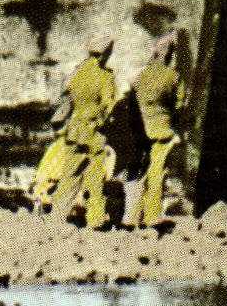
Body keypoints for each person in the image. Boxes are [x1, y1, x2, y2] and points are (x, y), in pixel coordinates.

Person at [62, 35, 121, 229]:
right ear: (105, 53)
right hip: (94, 130)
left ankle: (59, 214)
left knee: (70, 173)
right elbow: (109, 106)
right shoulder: (104, 76)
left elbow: (66, 100)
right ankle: (95, 219)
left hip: (74, 130)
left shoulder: (76, 73)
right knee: (95, 177)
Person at [126, 34, 185, 227]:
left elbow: (131, 100)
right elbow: (179, 106)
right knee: (157, 171)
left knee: (138, 171)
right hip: (162, 130)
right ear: (169, 54)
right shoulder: (174, 77)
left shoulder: (139, 76)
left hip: (140, 130)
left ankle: (131, 217)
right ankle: (151, 216)